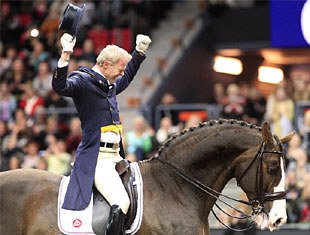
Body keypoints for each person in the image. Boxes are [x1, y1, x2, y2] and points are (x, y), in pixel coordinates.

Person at [52, 32, 151, 235]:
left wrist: (139, 52)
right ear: (106, 64)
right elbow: (60, 86)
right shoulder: (82, 81)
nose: (121, 74)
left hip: (116, 156)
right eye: (119, 69)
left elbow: (128, 75)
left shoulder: (109, 84)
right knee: (121, 202)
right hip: (98, 159)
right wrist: (66, 55)